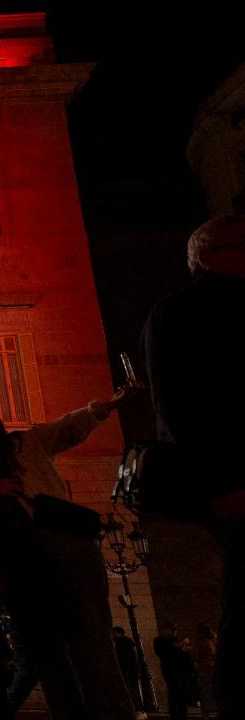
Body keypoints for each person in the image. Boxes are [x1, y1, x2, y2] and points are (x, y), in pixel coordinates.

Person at [0, 384, 142, 720]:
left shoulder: (25, 443)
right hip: (18, 559)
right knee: (46, 647)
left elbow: (69, 427)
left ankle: (111, 712)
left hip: (61, 542)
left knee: (91, 636)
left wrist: (107, 406)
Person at [143, 213, 245, 719]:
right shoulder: (181, 313)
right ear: (209, 255)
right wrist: (218, 487)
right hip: (232, 480)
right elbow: (180, 413)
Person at [154, 629, 198, 720]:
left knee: (177, 695)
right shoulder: (168, 646)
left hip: (176, 672)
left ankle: (179, 714)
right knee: (177, 695)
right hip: (175, 672)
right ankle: (179, 714)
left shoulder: (169, 645)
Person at [113, 627, 142, 711]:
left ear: (120, 633)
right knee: (133, 688)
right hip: (132, 670)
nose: (113, 634)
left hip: (127, 670)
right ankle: (137, 706)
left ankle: (135, 707)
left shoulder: (121, 643)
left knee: (130, 688)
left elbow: (124, 658)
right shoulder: (127, 643)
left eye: (114, 632)